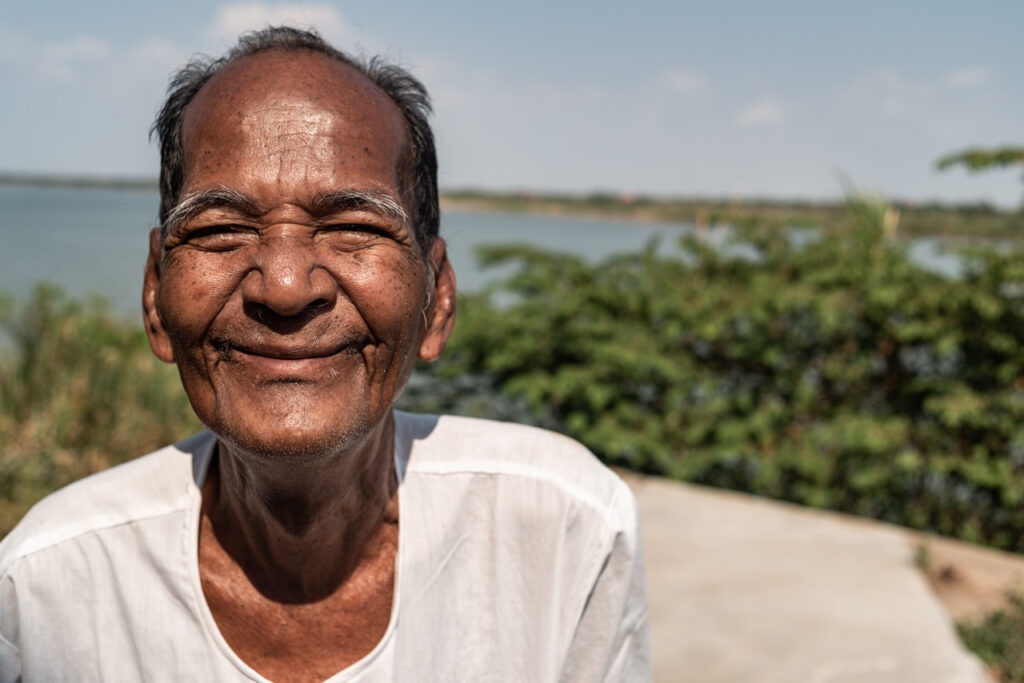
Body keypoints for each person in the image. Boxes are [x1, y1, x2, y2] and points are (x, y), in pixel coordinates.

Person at [0, 27, 651, 682]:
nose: (284, 287)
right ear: (154, 296)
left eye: (355, 228)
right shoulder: (44, 589)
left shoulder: (568, 531)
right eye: (222, 229)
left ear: (438, 300)